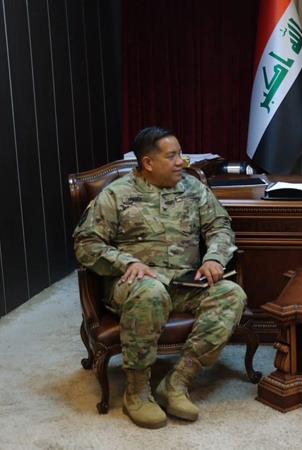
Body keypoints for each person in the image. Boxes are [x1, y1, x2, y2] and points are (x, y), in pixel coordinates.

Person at [73, 126, 246, 429]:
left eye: (181, 154)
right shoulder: (116, 195)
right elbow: (86, 244)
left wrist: (214, 258)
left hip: (184, 282)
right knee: (150, 292)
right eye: (172, 156)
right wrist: (126, 261)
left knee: (232, 294)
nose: (181, 162)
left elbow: (220, 226)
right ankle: (137, 392)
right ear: (148, 162)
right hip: (132, 285)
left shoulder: (194, 189)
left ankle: (177, 382)